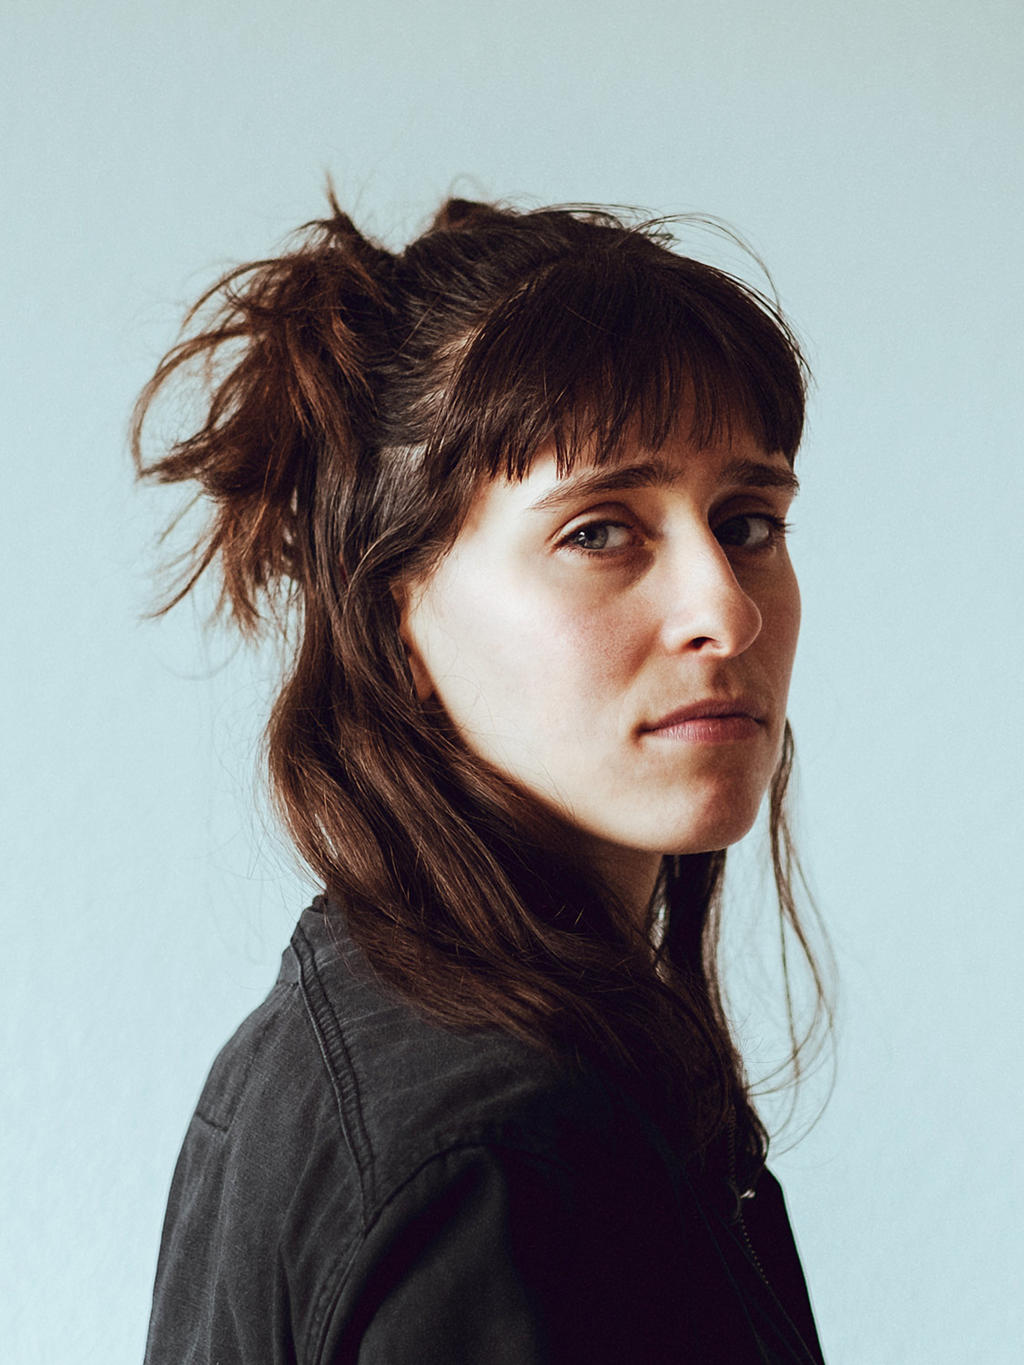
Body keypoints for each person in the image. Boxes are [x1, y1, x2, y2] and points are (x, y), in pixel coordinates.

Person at [135, 194, 832, 1363]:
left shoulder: (395, 1045)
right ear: (393, 623)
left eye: (747, 521)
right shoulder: (496, 1153)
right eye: (598, 531)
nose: (726, 608)